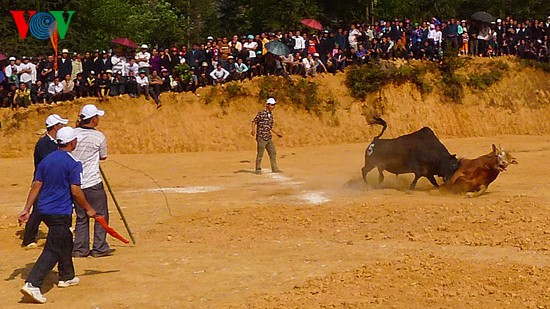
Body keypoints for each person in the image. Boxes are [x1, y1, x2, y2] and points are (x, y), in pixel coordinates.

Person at [18, 127, 97, 304]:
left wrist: (27, 209)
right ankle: (33, 283)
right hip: (59, 212)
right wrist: (88, 208)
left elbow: (37, 185)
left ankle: (67, 275)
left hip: (44, 210)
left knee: (66, 239)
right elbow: (75, 191)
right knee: (53, 248)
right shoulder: (73, 163)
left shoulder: (46, 161)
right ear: (72, 142)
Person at [72, 104, 114, 258]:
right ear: (93, 119)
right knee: (101, 214)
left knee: (81, 216)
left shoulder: (73, 134)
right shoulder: (99, 137)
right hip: (92, 182)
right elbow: (103, 157)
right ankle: (99, 246)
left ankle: (80, 248)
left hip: (75, 183)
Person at [22, 114, 69, 249]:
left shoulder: (54, 143)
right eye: (61, 125)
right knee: (38, 209)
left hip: (52, 181)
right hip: (42, 181)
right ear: (55, 127)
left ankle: (59, 228)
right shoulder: (43, 144)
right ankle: (29, 238)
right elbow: (48, 163)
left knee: (45, 208)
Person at [251, 97, 282, 174]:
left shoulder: (271, 115)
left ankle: (274, 168)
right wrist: (253, 130)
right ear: (267, 105)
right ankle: (258, 169)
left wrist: (277, 133)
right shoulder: (261, 113)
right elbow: (254, 121)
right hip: (261, 137)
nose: (273, 107)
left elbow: (270, 127)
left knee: (273, 152)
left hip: (268, 137)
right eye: (271, 105)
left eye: (273, 105)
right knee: (260, 154)